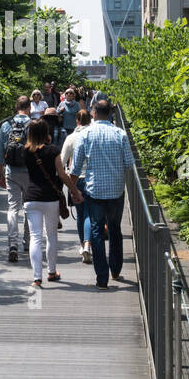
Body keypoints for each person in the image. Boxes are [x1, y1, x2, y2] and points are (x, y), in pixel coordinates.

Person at [69, 100, 135, 289]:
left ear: (94, 114)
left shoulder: (86, 134)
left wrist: (73, 190)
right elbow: (129, 164)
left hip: (94, 190)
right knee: (114, 228)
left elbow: (75, 167)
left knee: (97, 231)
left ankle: (102, 278)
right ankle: (115, 269)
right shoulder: (120, 134)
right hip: (116, 191)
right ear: (110, 114)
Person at [22, 118, 82, 287]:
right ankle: (52, 272)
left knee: (35, 237)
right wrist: (74, 191)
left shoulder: (25, 151)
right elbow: (62, 175)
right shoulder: (53, 150)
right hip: (50, 199)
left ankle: (36, 277)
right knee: (51, 236)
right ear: (46, 133)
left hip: (31, 197)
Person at [0, 95, 34, 262]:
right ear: (29, 108)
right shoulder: (33, 125)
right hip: (30, 172)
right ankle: (27, 241)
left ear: (15, 106)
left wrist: (1, 174)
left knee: (13, 208)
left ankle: (13, 244)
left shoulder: (6, 125)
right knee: (28, 207)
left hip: (11, 171)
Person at [61, 108, 92, 262]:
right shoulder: (94, 135)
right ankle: (88, 243)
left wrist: (65, 173)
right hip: (93, 179)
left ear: (77, 121)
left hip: (76, 179)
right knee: (89, 214)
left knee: (81, 214)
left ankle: (82, 244)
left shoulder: (71, 138)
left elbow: (61, 160)